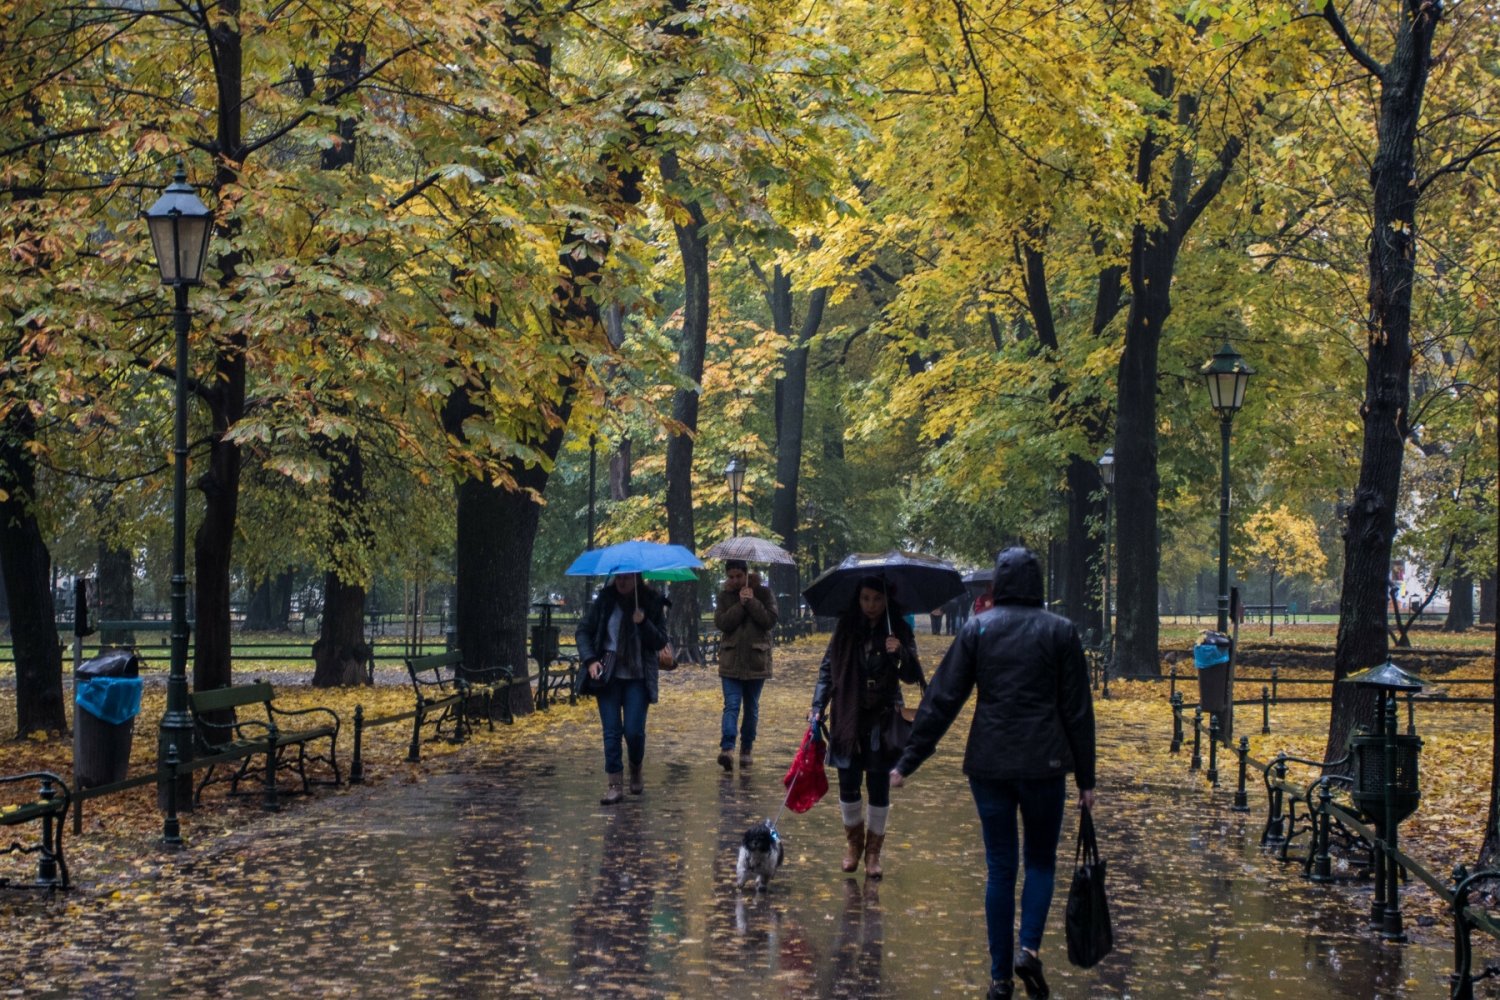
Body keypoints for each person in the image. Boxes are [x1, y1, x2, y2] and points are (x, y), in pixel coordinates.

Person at [891, 546, 1096, 1000]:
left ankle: (1000, 979)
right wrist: (1087, 779)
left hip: (989, 764)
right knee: (1040, 861)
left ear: (997, 585)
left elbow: (944, 698)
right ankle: (1029, 949)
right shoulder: (1061, 631)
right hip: (1045, 765)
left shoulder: (978, 629)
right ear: (1038, 583)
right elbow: (1078, 711)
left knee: (1000, 867)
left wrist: (908, 760)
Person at [808, 576, 923, 879]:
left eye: (877, 599)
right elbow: (827, 670)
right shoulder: (846, 629)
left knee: (878, 784)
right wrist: (817, 707)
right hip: (848, 714)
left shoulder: (899, 630)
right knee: (848, 782)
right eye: (865, 599)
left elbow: (913, 676)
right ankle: (853, 845)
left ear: (886, 600)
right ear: (857, 599)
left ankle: (873, 853)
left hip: (883, 718)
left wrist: (900, 653)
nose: (870, 605)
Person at [576, 572, 671, 805]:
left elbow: (660, 641)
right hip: (608, 675)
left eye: (627, 577)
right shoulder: (605, 600)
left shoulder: (651, 602)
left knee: (634, 731)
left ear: (637, 578)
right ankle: (614, 785)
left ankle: (636, 767)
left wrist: (643, 622)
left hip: (638, 677)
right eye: (619, 577)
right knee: (611, 731)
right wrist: (590, 660)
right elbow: (583, 631)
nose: (621, 581)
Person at [714, 559, 779, 770]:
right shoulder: (724, 596)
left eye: (739, 576)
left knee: (751, 707)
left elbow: (769, 620)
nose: (735, 581)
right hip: (731, 660)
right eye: (731, 577)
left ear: (746, 574)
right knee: (731, 705)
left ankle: (746, 748)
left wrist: (752, 602)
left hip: (756, 660)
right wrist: (740, 605)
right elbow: (723, 623)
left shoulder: (764, 593)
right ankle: (727, 748)